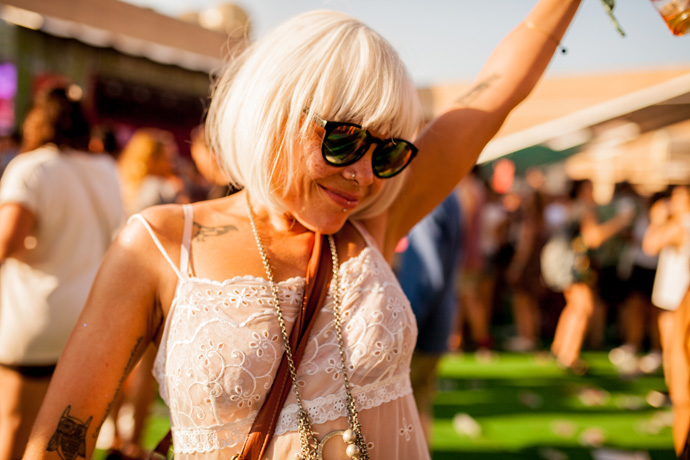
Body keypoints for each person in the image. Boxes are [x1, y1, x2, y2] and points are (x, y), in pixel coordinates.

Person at [25, 2, 584, 459]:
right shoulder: (163, 243)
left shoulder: (370, 226)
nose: (364, 175)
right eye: (343, 141)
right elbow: (59, 443)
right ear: (276, 113)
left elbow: (495, 91)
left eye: (386, 152)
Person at [0, 87, 124, 460]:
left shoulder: (33, 168)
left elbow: (7, 240)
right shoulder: (105, 169)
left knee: (16, 425)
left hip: (36, 318)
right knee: (63, 438)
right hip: (86, 320)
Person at [394, 193, 462, 444]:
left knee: (405, 409)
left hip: (422, 324)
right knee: (418, 403)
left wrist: (405, 325)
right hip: (436, 319)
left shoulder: (431, 200)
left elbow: (427, 273)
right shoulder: (448, 198)